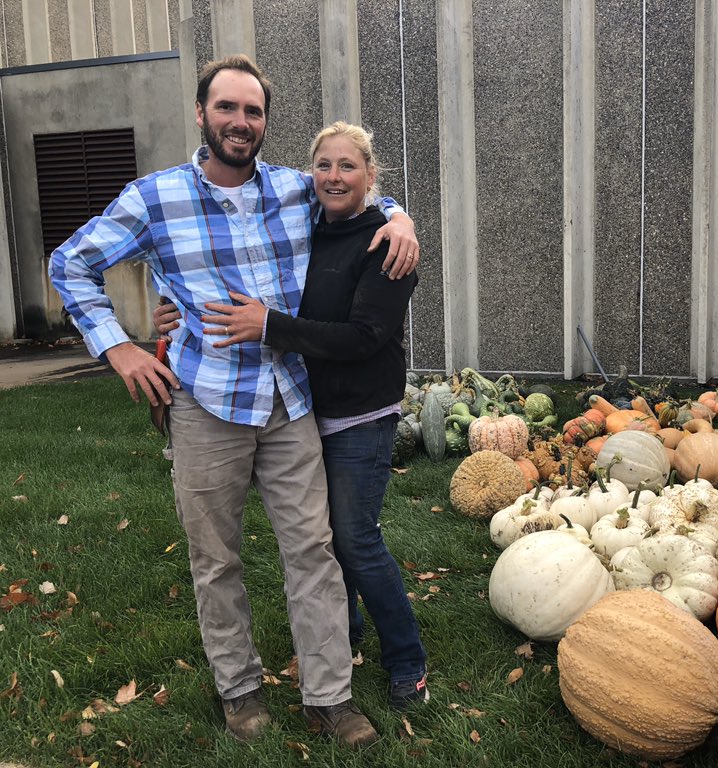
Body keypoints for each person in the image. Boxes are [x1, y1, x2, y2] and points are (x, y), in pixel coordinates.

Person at [48, 54, 419, 749]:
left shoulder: (291, 188)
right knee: (215, 558)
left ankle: (330, 696)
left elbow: (354, 192)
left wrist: (401, 217)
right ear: (201, 114)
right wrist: (119, 347)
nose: (240, 123)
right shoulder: (153, 199)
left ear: (264, 122)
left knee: (313, 550)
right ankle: (240, 689)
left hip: (290, 399)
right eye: (227, 108)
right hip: (206, 404)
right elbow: (70, 262)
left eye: (253, 112)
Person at [191, 120, 429, 710]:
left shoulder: (385, 243)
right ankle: (339, 640)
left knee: (355, 541)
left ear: (371, 177)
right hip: (299, 412)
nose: (334, 176)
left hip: (358, 418)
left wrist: (271, 326)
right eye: (324, 165)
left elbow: (365, 336)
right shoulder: (305, 225)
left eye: (349, 166)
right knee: (319, 544)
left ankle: (408, 661)